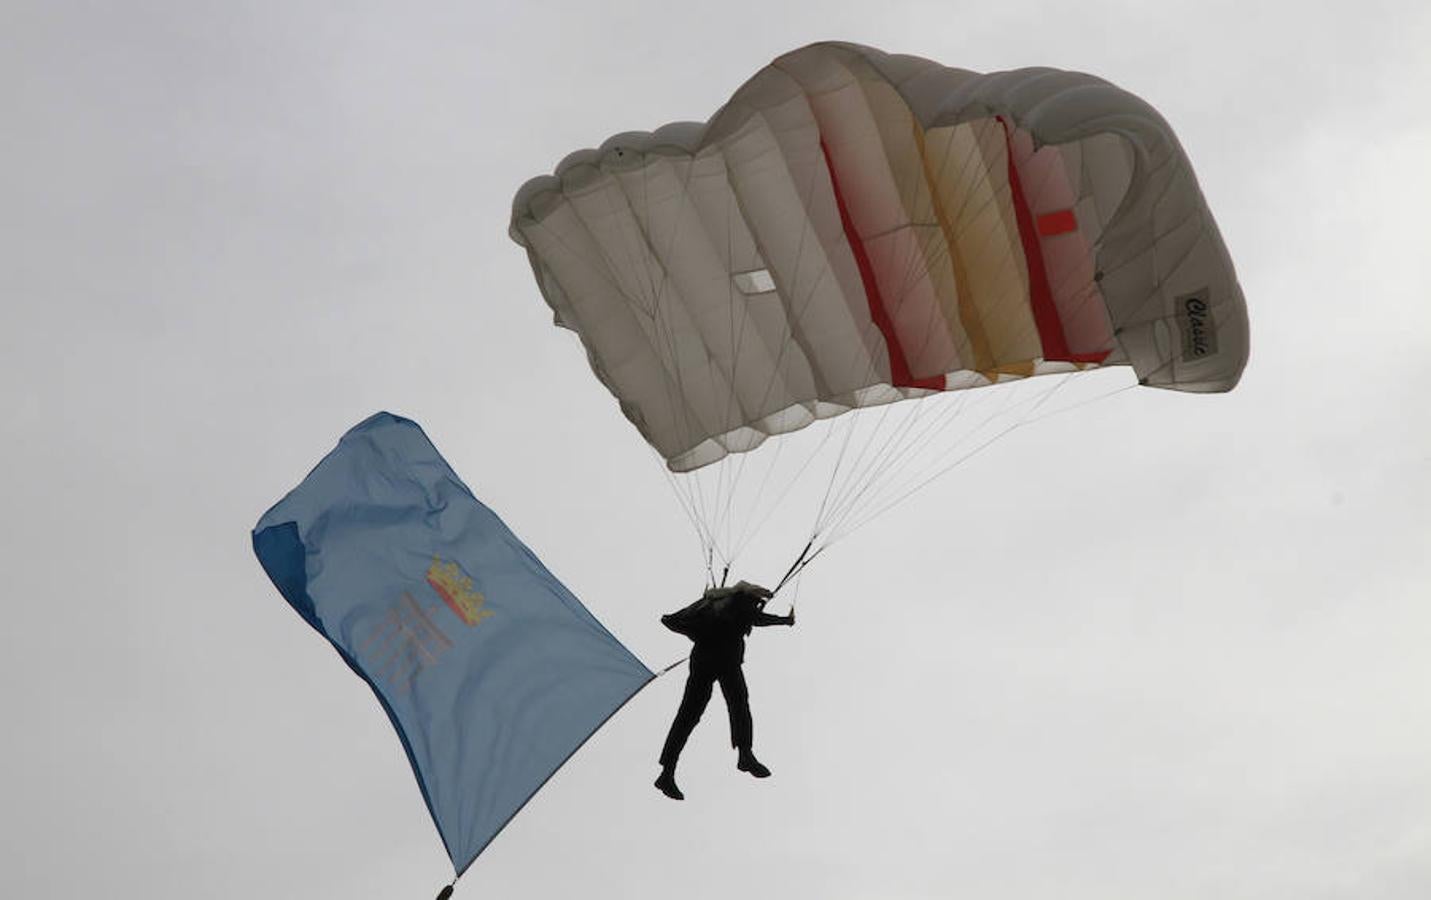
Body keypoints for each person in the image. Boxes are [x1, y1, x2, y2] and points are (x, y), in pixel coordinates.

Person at [655, 580, 795, 800]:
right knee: (739, 704)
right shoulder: (740, 601)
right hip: (725, 659)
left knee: (687, 716)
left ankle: (667, 771)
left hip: (701, 659)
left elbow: (672, 620)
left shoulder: (708, 604)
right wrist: (785, 620)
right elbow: (757, 619)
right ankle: (745, 754)